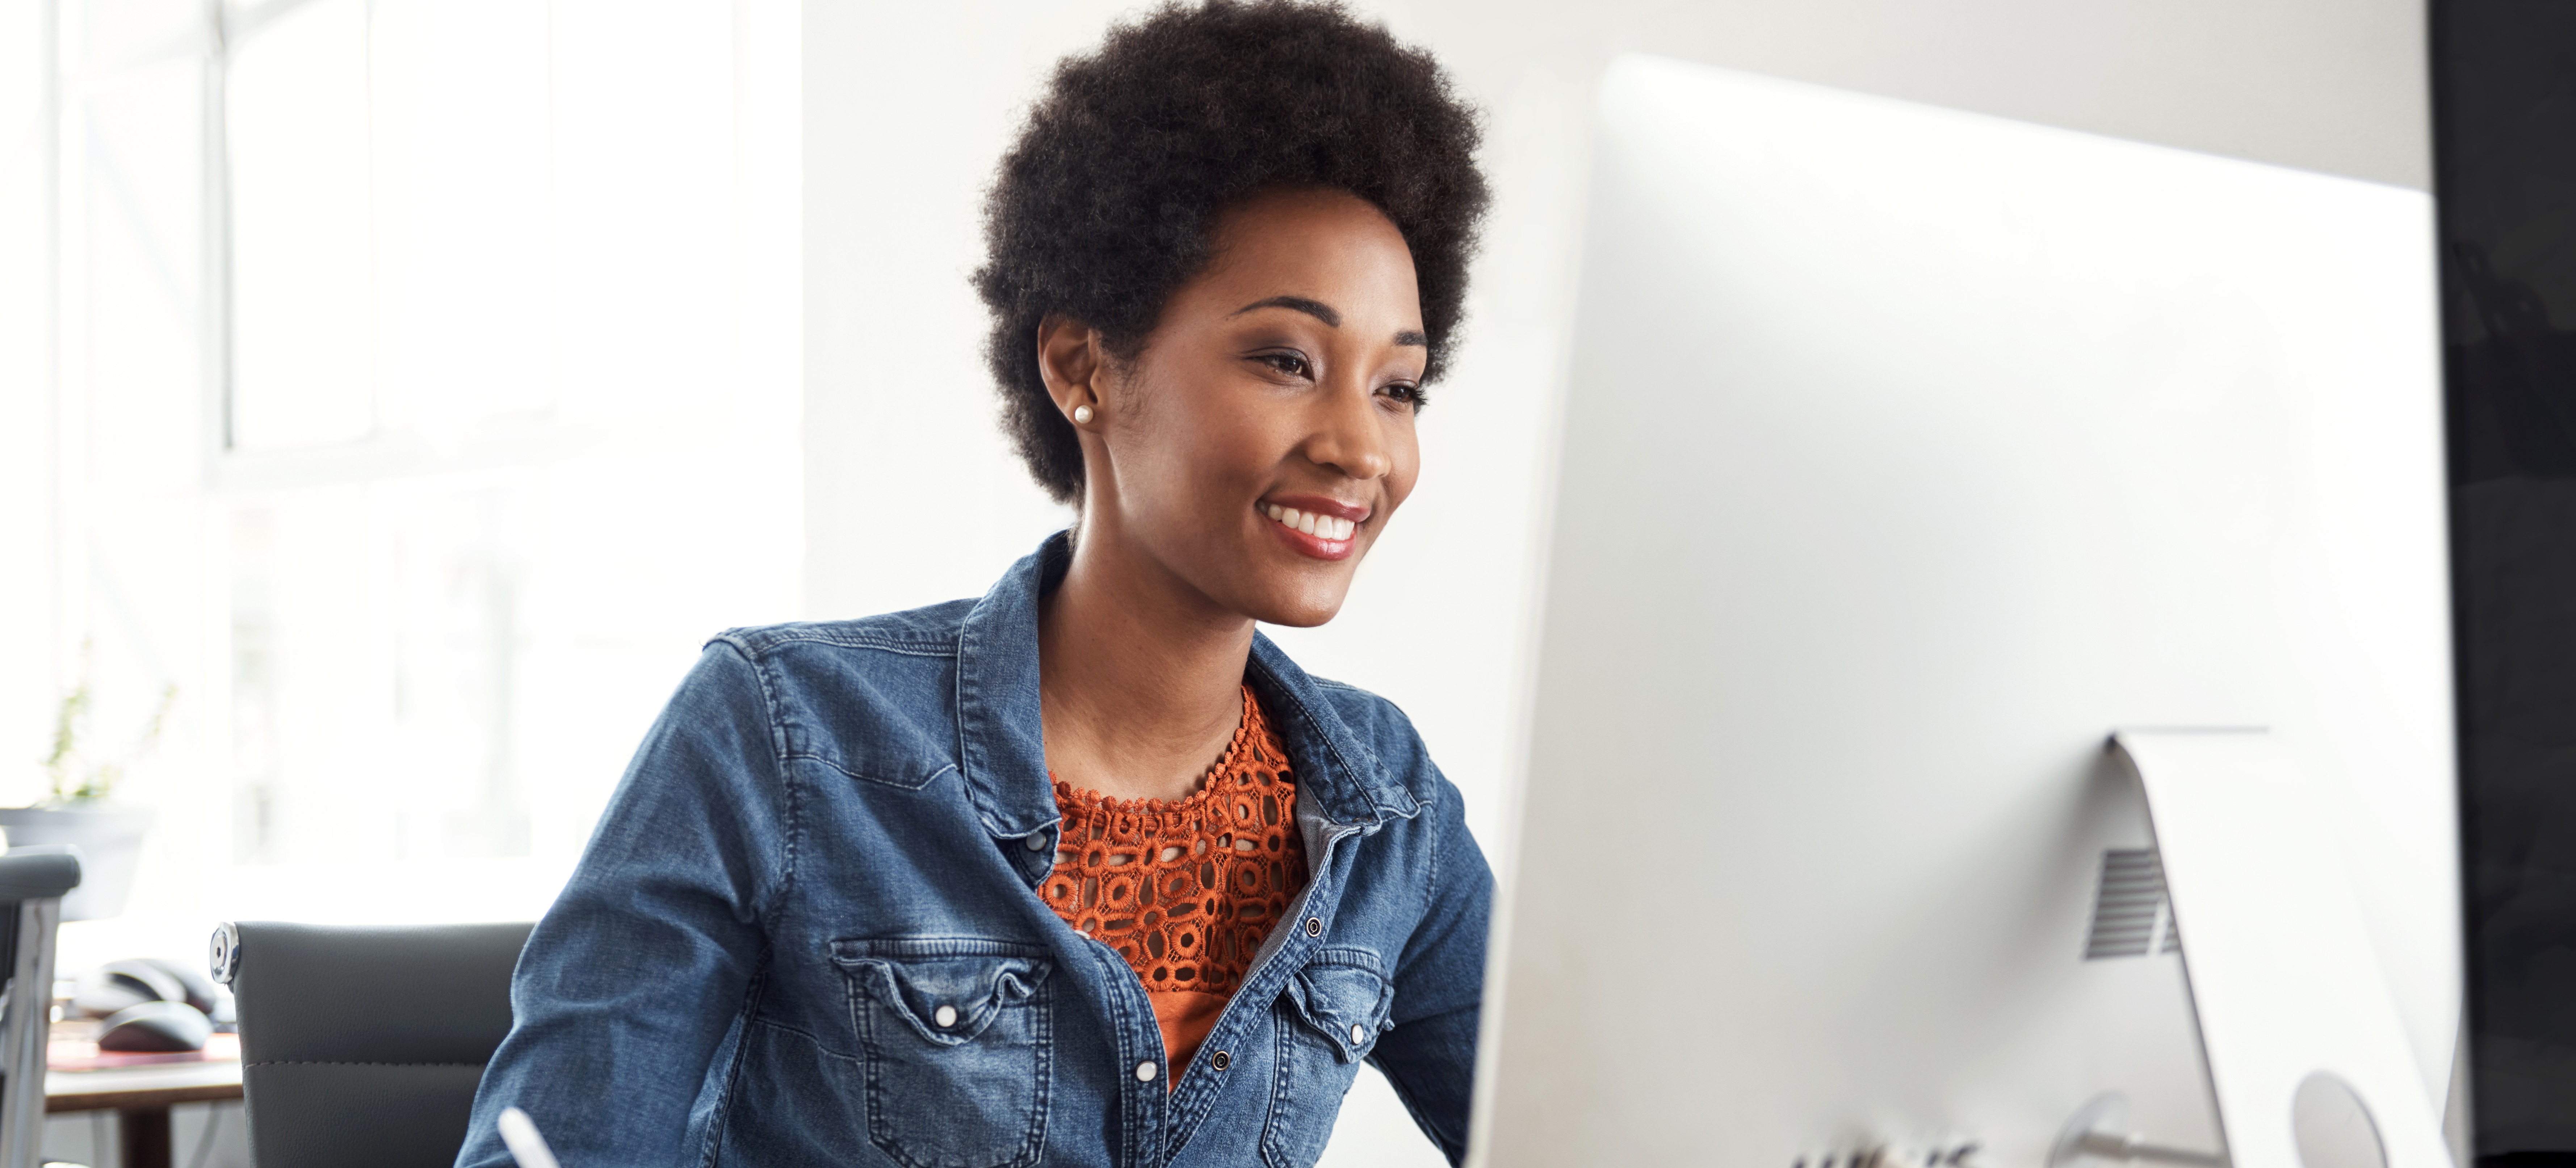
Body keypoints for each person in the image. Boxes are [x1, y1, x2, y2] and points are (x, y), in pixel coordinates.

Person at [454, 2, 1493, 1165]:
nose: (1361, 447)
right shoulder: (784, 734)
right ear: (1081, 365)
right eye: (1284, 361)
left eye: (1399, 388)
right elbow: (551, 1148)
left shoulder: (1389, 816)